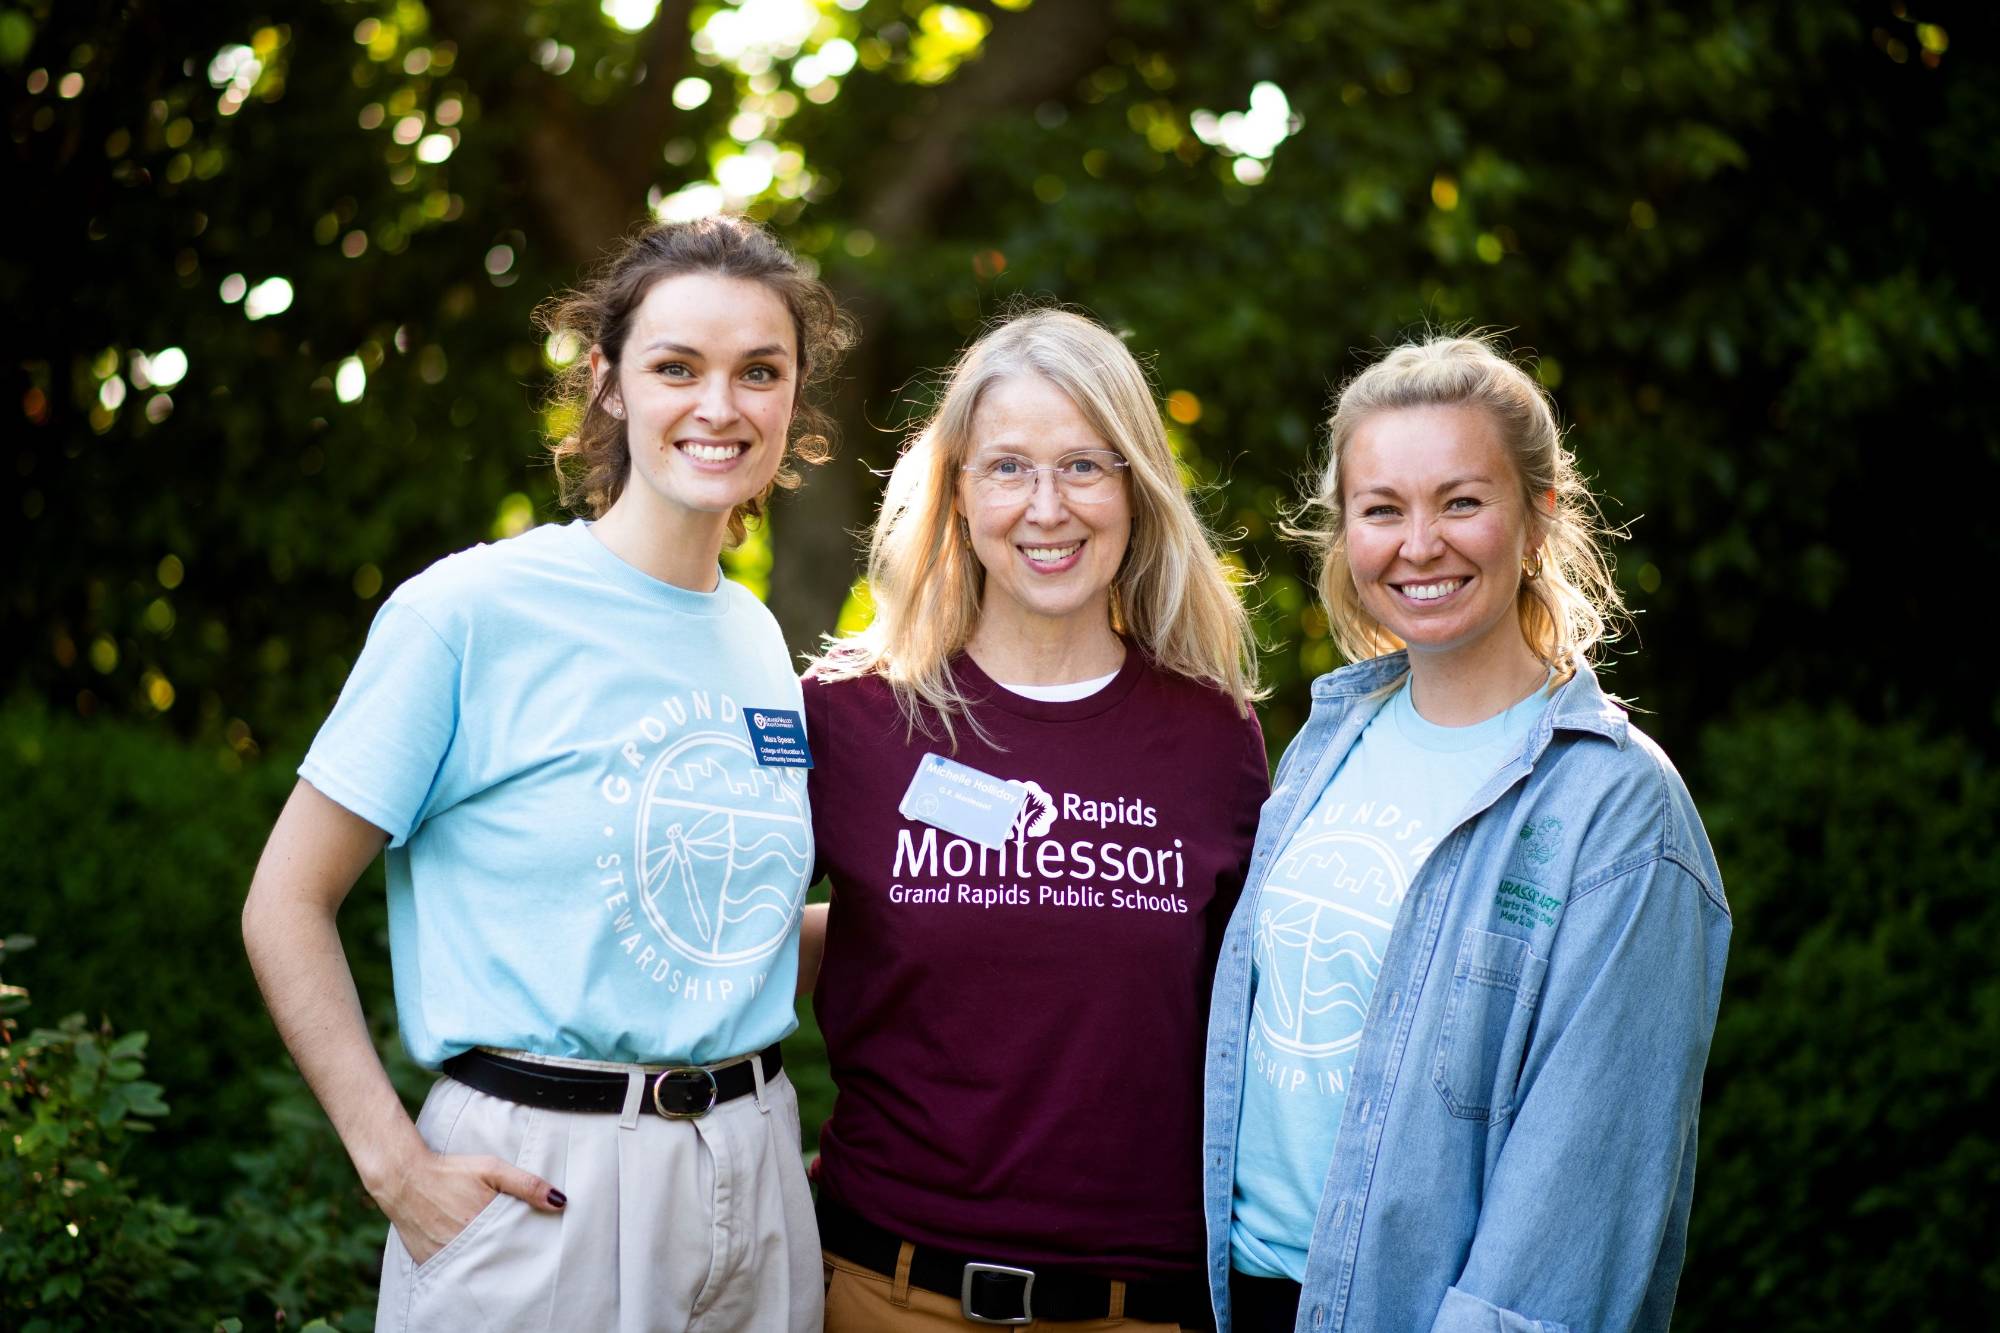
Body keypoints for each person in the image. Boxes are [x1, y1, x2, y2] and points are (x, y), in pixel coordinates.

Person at [240, 215, 854, 1333]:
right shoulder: (469, 613)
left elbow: (715, 928)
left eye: (758, 372)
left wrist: (981, 919)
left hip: (752, 1164)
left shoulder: (761, 642)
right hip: (542, 1183)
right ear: (608, 383)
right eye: (677, 367)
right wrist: (393, 1166)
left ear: (792, 400)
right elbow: (285, 900)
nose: (720, 406)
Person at [1202, 334, 1731, 1333]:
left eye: (1459, 501)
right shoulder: (1323, 746)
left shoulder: (1615, 812)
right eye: (1381, 510)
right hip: (1245, 1299)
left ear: (1536, 521)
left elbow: (1581, 1188)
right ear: (1344, 535)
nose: (1417, 544)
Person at [800, 309, 1270, 1331]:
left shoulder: (1213, 739)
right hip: (889, 1292)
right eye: (1008, 467)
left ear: (1135, 489)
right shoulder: (854, 717)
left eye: (1083, 467)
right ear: (958, 495)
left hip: (1136, 1307)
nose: (1045, 507)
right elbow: (727, 937)